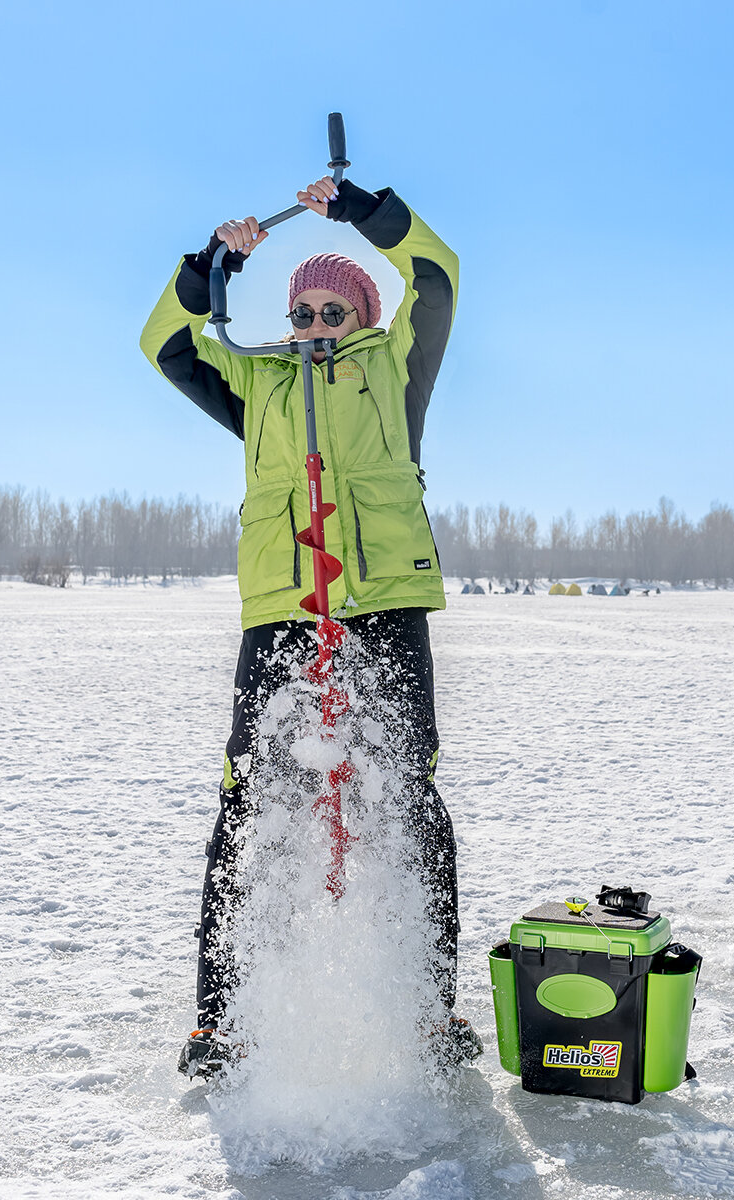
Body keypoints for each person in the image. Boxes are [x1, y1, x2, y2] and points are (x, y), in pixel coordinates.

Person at [140, 174, 479, 1078]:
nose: (316, 323)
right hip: (282, 617)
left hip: (383, 611)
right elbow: (163, 343)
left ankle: (428, 1014)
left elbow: (437, 274)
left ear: (363, 314)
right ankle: (223, 1020)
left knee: (407, 797)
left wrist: (366, 213)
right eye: (302, 313)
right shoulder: (257, 382)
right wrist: (210, 266)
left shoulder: (396, 368)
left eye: (334, 309)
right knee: (250, 799)